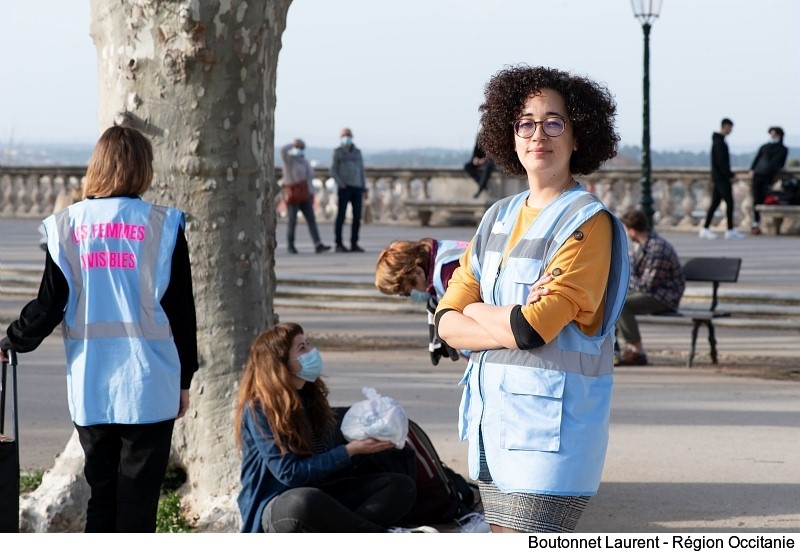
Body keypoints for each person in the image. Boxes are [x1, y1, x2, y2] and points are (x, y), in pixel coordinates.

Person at [435, 65, 630, 533]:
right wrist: (499, 316)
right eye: (525, 122)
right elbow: (444, 324)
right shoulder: (497, 217)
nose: (537, 134)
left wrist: (476, 309)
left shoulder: (588, 223)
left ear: (578, 135)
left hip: (552, 439)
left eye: (553, 122)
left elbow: (532, 329)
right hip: (492, 432)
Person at [0, 125, 198, 533]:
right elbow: (182, 312)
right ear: (143, 169)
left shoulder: (67, 226)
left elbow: (48, 305)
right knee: (137, 506)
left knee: (102, 499)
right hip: (150, 384)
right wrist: (186, 379)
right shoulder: (163, 226)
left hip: (91, 386)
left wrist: (12, 339)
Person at [234, 322, 436, 533]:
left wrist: (371, 424)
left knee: (399, 487)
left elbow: (331, 446)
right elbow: (290, 474)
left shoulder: (311, 399)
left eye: (308, 344)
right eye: (302, 348)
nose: (312, 352)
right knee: (303, 502)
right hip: (280, 505)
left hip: (325, 495)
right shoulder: (259, 410)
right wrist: (349, 451)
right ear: (280, 363)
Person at [375, 238, 468, 365]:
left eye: (405, 292)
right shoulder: (441, 251)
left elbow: (470, 321)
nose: (409, 296)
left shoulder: (446, 272)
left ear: (416, 272)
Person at [616, 209, 685, 366]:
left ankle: (637, 350)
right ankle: (617, 348)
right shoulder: (640, 246)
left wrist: (627, 275)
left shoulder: (656, 248)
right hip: (652, 292)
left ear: (632, 230)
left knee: (622, 304)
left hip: (665, 296)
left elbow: (646, 285)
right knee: (613, 298)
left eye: (627, 229)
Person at [280, 140, 330, 254]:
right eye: (298, 147)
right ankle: (290, 245)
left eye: (301, 147)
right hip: (292, 194)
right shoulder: (289, 161)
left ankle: (318, 244)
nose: (299, 149)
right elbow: (283, 150)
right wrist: (293, 144)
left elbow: (309, 180)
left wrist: (311, 195)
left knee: (311, 220)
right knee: (292, 221)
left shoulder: (305, 161)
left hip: (305, 194)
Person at [699, 118, 746, 240]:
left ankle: (705, 228)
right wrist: (730, 175)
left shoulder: (718, 141)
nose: (731, 130)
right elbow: (721, 162)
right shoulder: (719, 142)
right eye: (730, 128)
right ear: (725, 126)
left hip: (719, 177)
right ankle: (729, 229)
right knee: (729, 202)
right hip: (722, 178)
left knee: (715, 204)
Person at [331, 128, 367, 253]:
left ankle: (354, 243)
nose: (347, 137)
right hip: (345, 188)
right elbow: (333, 170)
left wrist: (364, 187)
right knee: (341, 216)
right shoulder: (338, 152)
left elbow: (362, 170)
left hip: (357, 187)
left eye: (348, 135)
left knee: (357, 217)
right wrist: (341, 183)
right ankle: (339, 243)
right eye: (344, 136)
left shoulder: (357, 152)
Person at [749, 127, 789, 235]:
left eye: (774, 134)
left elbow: (778, 163)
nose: (772, 136)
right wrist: (752, 169)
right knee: (757, 199)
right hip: (759, 175)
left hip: (767, 176)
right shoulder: (765, 147)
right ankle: (756, 223)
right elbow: (757, 159)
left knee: (765, 198)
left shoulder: (782, 149)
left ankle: (761, 223)